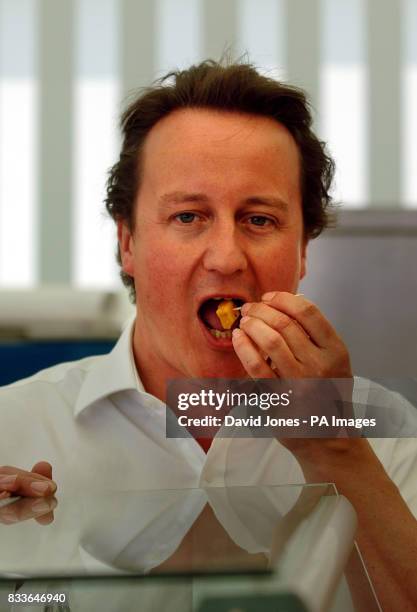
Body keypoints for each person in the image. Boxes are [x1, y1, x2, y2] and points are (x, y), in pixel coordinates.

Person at [0, 60, 416, 609]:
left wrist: (336, 447)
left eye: (259, 220)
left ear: (303, 252)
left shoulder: (386, 435)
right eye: (189, 217)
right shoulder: (14, 424)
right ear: (127, 243)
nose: (226, 258)